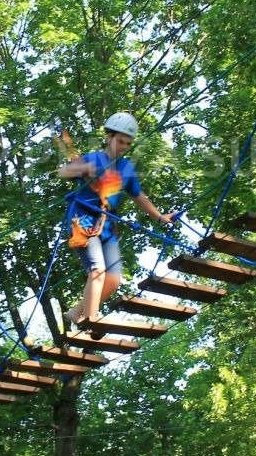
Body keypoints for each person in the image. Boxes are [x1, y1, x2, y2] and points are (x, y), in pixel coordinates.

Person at [59, 112, 175, 329]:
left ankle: (76, 312)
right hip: (82, 221)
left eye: (128, 143)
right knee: (97, 270)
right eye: (120, 141)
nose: (123, 146)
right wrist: (83, 168)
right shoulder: (94, 158)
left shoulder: (126, 169)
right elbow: (63, 171)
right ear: (108, 137)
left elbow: (139, 196)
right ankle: (92, 319)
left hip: (105, 226)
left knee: (112, 279)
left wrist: (159, 217)